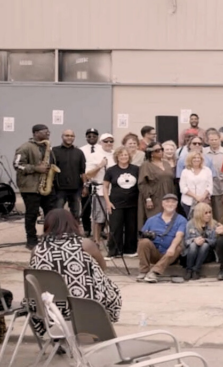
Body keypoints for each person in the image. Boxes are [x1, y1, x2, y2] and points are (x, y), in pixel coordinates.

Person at [29, 209, 121, 337]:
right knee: (111, 289)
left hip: (48, 308)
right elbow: (102, 268)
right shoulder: (85, 244)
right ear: (72, 224)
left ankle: (56, 335)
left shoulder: (37, 249)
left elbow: (33, 277)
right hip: (82, 306)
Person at [13, 124, 58, 249]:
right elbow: (17, 165)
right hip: (30, 188)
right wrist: (36, 168)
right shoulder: (24, 147)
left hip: (45, 186)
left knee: (51, 213)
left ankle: (49, 237)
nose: (48, 133)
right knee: (32, 214)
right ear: (36, 133)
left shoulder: (47, 147)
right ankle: (31, 240)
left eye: (48, 131)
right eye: (45, 131)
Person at [137, 194, 187, 283]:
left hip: (169, 254)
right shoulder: (152, 219)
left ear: (176, 205)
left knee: (177, 247)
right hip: (154, 251)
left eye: (173, 202)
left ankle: (154, 272)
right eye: (167, 202)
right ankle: (143, 271)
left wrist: (172, 247)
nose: (170, 204)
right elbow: (142, 235)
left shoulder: (181, 220)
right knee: (143, 242)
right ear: (162, 204)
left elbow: (179, 235)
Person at [103, 145, 140, 258]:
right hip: (116, 203)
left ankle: (130, 250)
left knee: (131, 227)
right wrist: (108, 202)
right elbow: (105, 187)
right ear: (117, 157)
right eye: (121, 155)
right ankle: (114, 251)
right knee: (115, 227)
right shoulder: (111, 170)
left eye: (126, 155)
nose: (124, 157)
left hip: (133, 203)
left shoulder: (136, 169)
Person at [83, 133, 115, 243]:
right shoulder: (94, 155)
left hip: (115, 191)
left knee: (112, 218)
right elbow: (88, 175)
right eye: (106, 141)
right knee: (98, 218)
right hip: (100, 190)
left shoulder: (116, 154)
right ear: (101, 142)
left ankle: (111, 242)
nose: (109, 143)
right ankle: (96, 241)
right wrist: (100, 166)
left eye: (111, 141)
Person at [138, 142, 175, 231]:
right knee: (155, 220)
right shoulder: (146, 165)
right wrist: (148, 198)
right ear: (151, 153)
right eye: (157, 150)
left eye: (161, 149)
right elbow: (142, 183)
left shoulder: (166, 163)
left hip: (168, 194)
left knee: (168, 219)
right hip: (154, 196)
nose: (161, 152)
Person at [52, 129, 86, 221]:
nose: (69, 137)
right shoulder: (54, 151)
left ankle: (74, 233)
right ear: (62, 136)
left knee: (75, 214)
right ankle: (58, 233)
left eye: (72, 136)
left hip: (75, 189)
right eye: (67, 135)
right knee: (58, 213)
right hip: (59, 189)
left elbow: (82, 171)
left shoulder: (79, 152)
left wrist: (85, 186)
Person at [183, 202, 217, 281]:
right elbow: (186, 241)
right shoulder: (190, 224)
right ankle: (189, 270)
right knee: (193, 245)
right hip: (191, 253)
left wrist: (205, 240)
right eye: (206, 213)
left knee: (205, 245)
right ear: (199, 214)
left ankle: (196, 270)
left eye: (210, 212)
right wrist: (194, 240)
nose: (209, 215)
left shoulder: (214, 224)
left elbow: (214, 242)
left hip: (207, 253)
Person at [204, 130, 223, 220]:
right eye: (211, 140)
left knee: (221, 210)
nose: (214, 141)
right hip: (207, 185)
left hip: (222, 185)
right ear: (208, 141)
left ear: (220, 139)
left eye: (216, 139)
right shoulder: (203, 152)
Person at [179, 150, 213, 219]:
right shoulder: (185, 172)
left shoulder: (207, 170)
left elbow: (210, 186)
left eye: (198, 158)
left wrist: (203, 197)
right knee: (191, 220)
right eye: (194, 158)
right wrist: (196, 197)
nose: (196, 159)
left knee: (204, 219)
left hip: (204, 201)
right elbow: (183, 188)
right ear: (190, 159)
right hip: (188, 201)